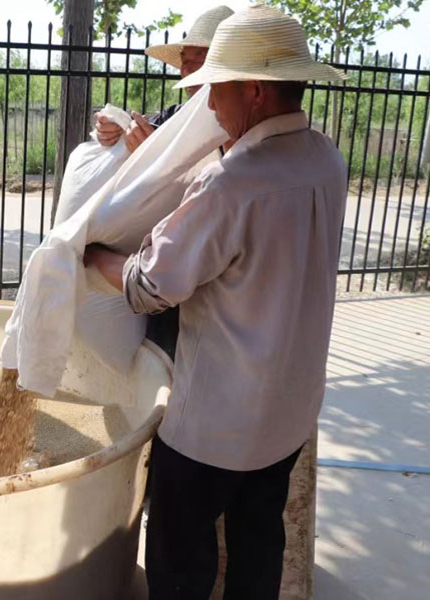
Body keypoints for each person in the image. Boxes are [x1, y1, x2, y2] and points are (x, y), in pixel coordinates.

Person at [84, 6, 348, 598]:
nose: (207, 104)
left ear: (254, 91)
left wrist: (90, 258)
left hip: (215, 425)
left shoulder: (232, 182)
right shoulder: (325, 159)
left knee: (181, 555)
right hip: (289, 411)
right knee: (258, 541)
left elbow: (149, 288)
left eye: (216, 87)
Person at [93, 5, 233, 360]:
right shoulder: (174, 120)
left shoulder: (241, 136)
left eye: (199, 60)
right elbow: (135, 137)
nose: (188, 70)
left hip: (212, 299)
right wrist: (112, 132)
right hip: (162, 290)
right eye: (185, 61)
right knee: (159, 367)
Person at [93, 5, 233, 153]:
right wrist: (113, 129)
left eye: (202, 59)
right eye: (184, 61)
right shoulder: (176, 116)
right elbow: (139, 127)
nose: (187, 70)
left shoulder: (249, 127)